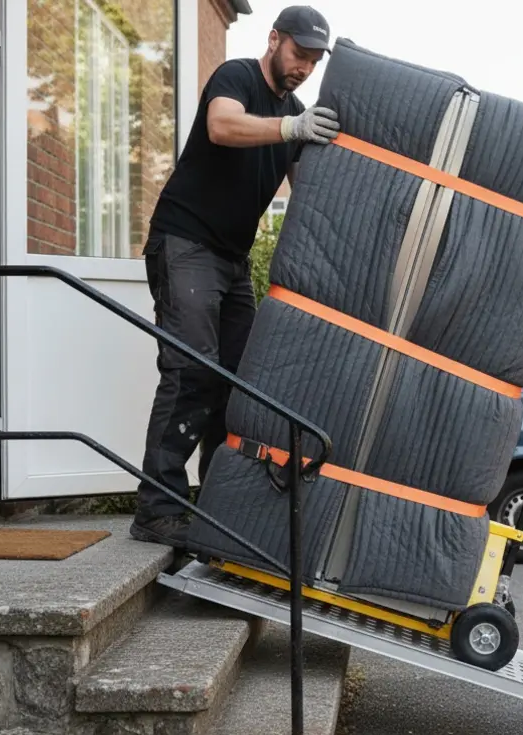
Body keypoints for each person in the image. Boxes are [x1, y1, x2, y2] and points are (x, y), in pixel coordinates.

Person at [130, 5, 341, 548]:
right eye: (299, 54)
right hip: (185, 243)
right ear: (274, 40)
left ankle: (213, 502)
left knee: (239, 381)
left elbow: (309, 197)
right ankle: (157, 507)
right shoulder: (237, 77)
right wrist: (290, 126)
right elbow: (222, 127)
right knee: (191, 369)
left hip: (231, 259)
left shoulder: (296, 114)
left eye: (315, 62)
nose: (304, 68)